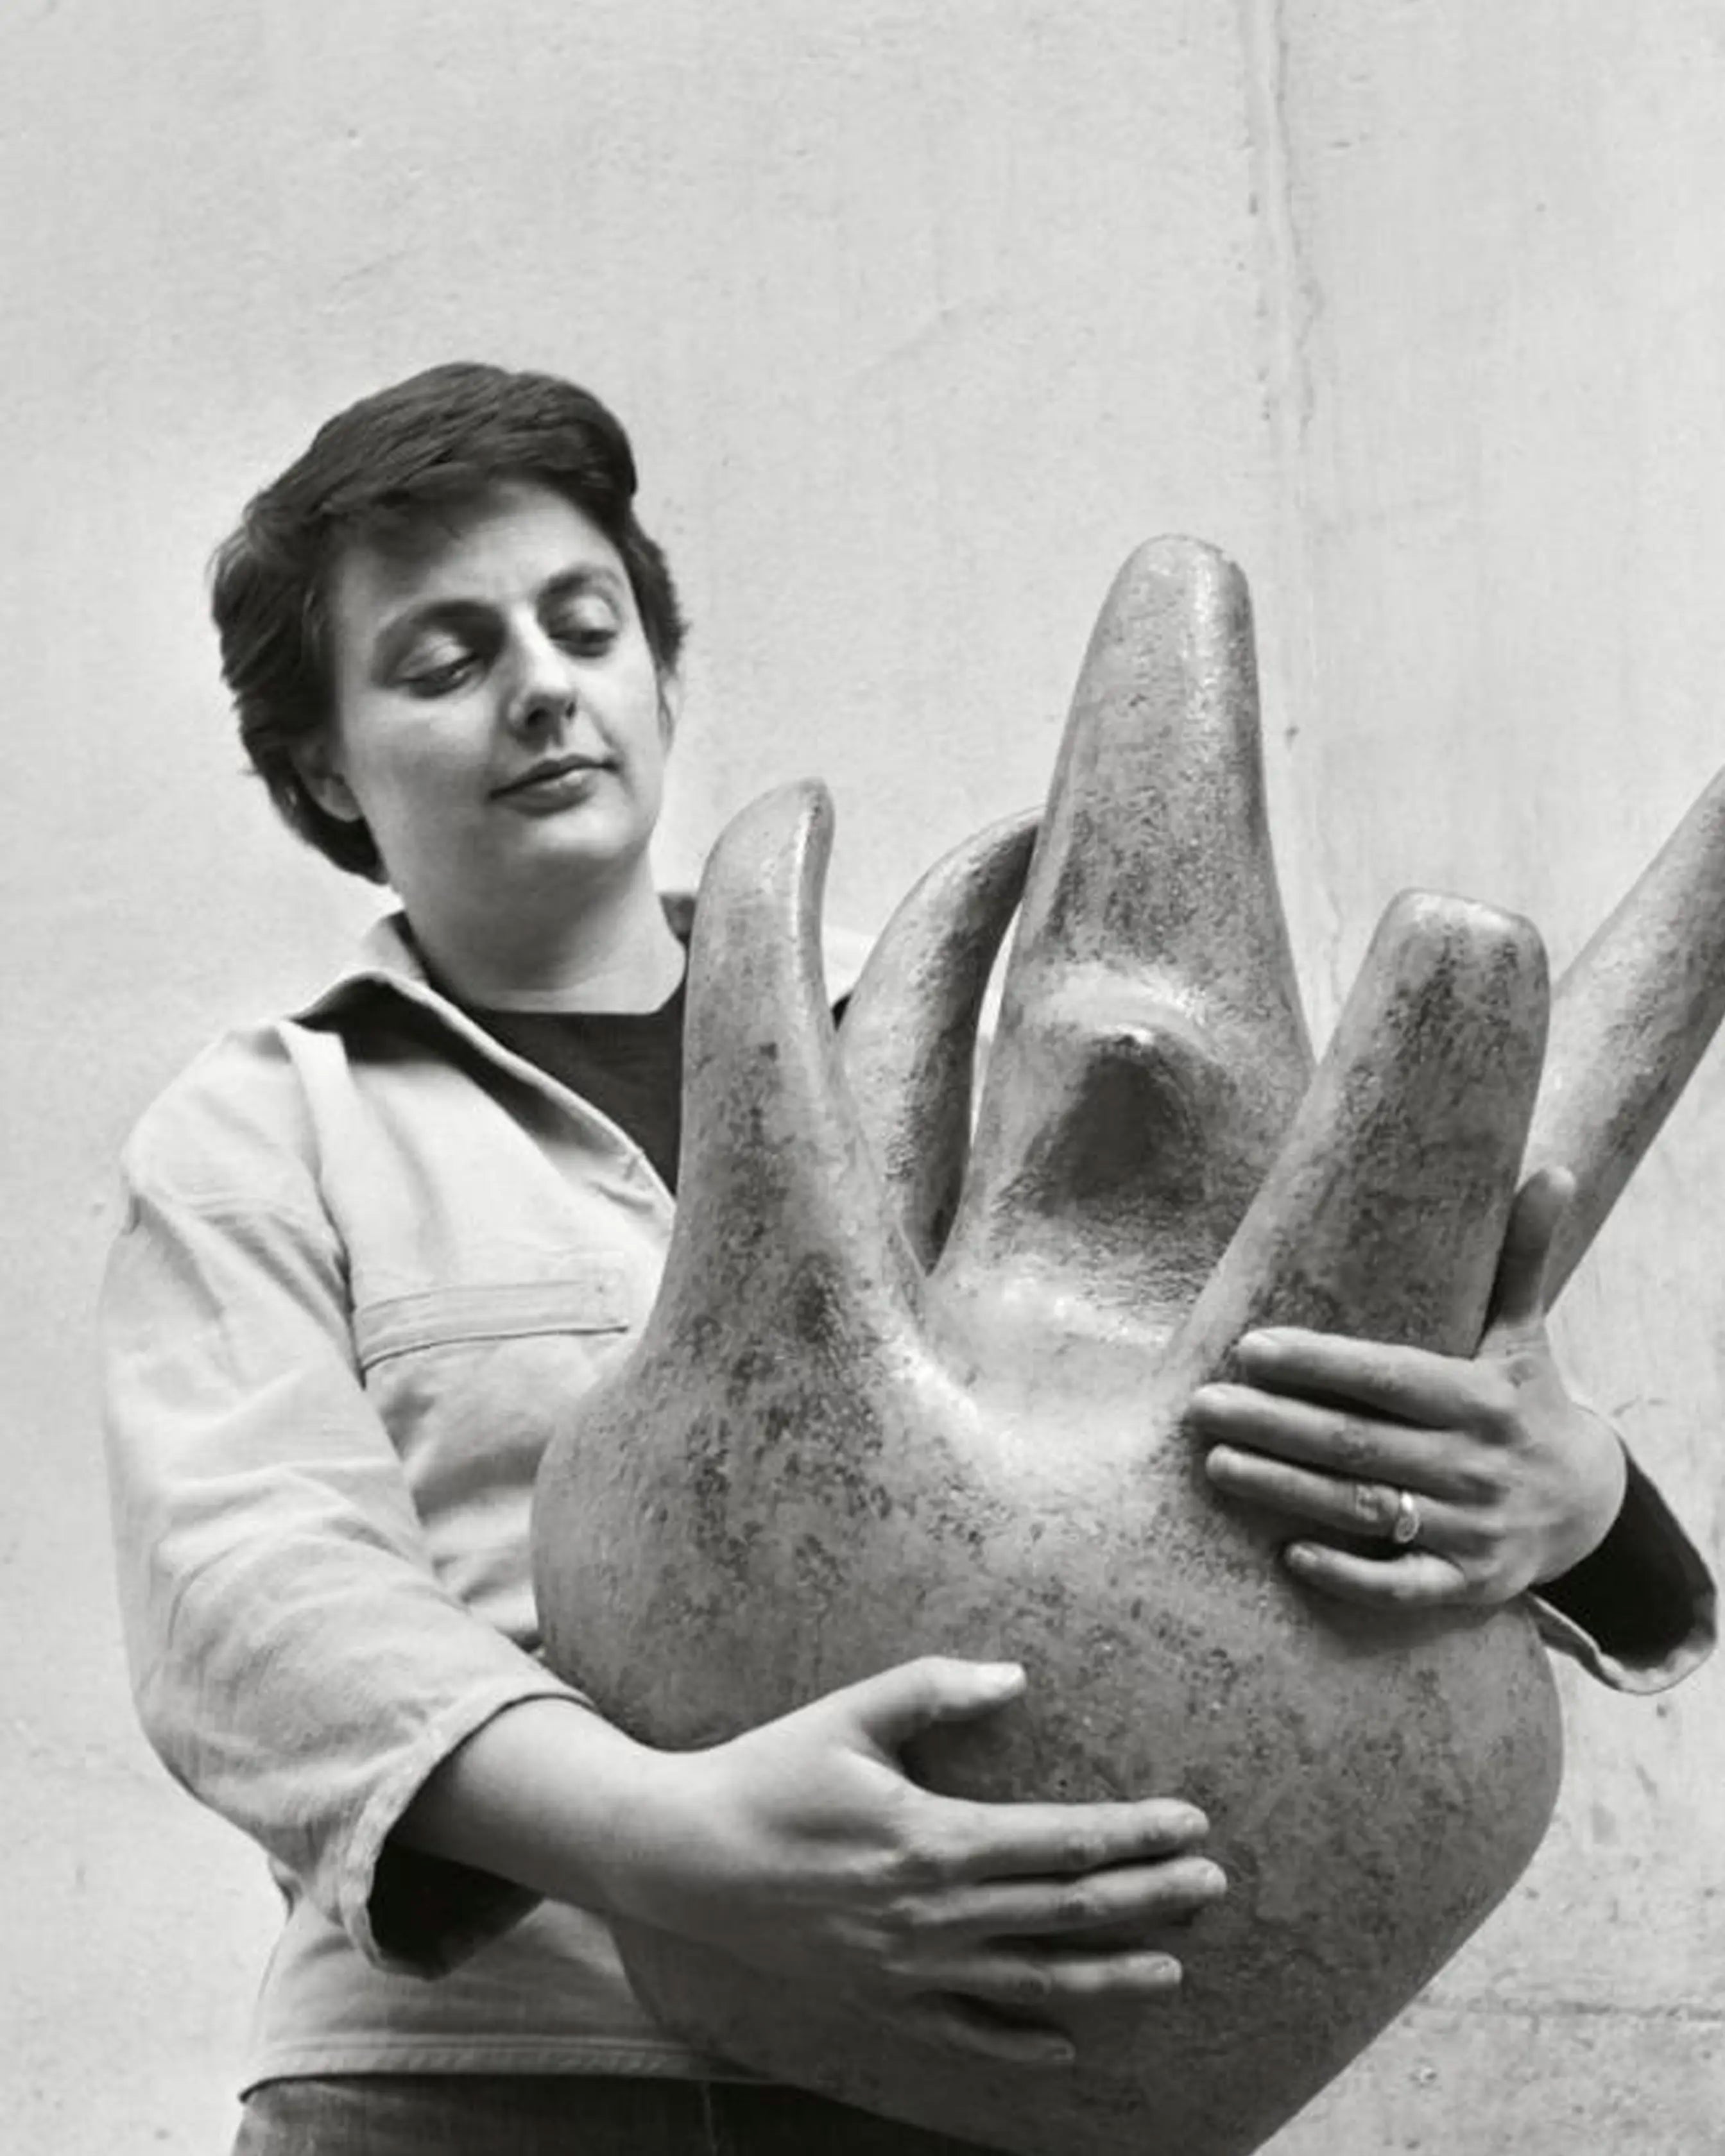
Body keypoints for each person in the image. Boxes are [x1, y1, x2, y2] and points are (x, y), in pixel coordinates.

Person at [100, 363, 1715, 2156]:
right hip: (490, 2091)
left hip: (985, 2094)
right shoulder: (274, 1125)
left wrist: (1578, 1500)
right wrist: (664, 1840)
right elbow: (255, 1602)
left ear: (657, 672)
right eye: (445, 659)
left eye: (587, 624)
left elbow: (1316, 1433)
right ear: (322, 761)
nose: (544, 685)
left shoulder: (992, 1081)